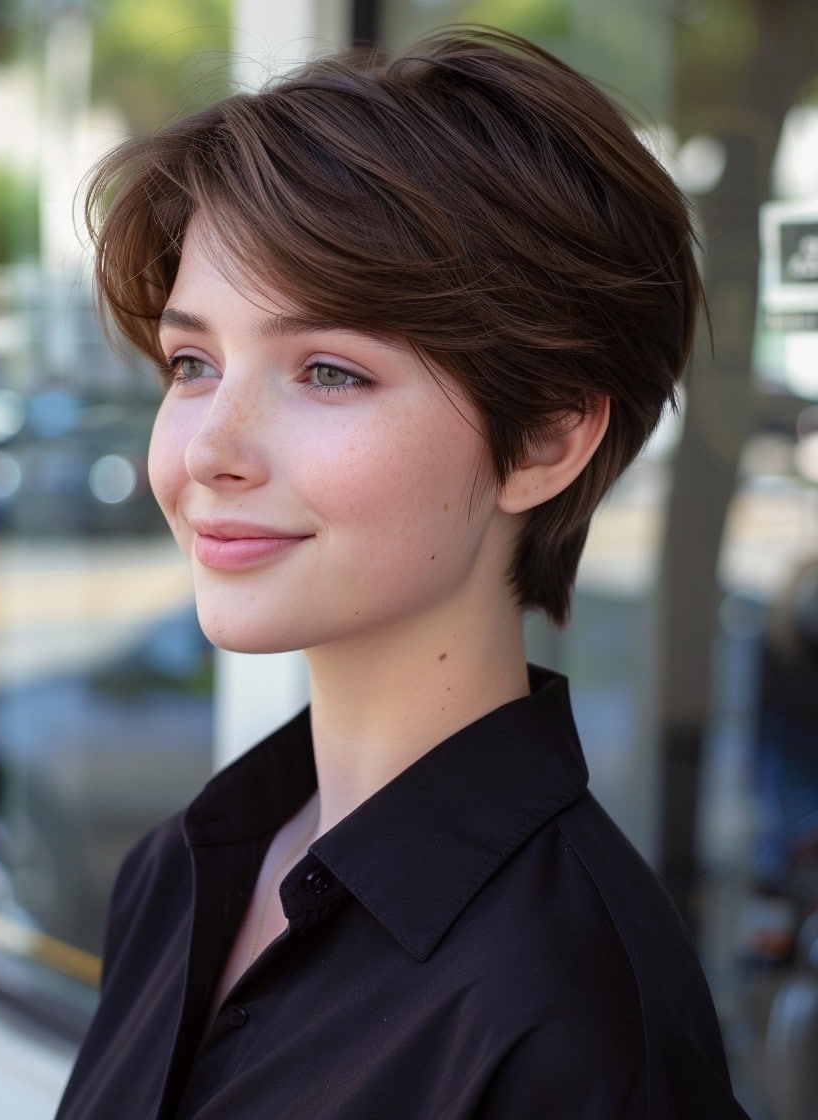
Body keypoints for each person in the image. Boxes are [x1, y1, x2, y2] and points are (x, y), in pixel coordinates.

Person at [55, 27, 751, 1119]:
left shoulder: (572, 1017)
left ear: (544, 439)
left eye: (327, 371)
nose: (206, 451)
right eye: (193, 363)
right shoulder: (183, 870)